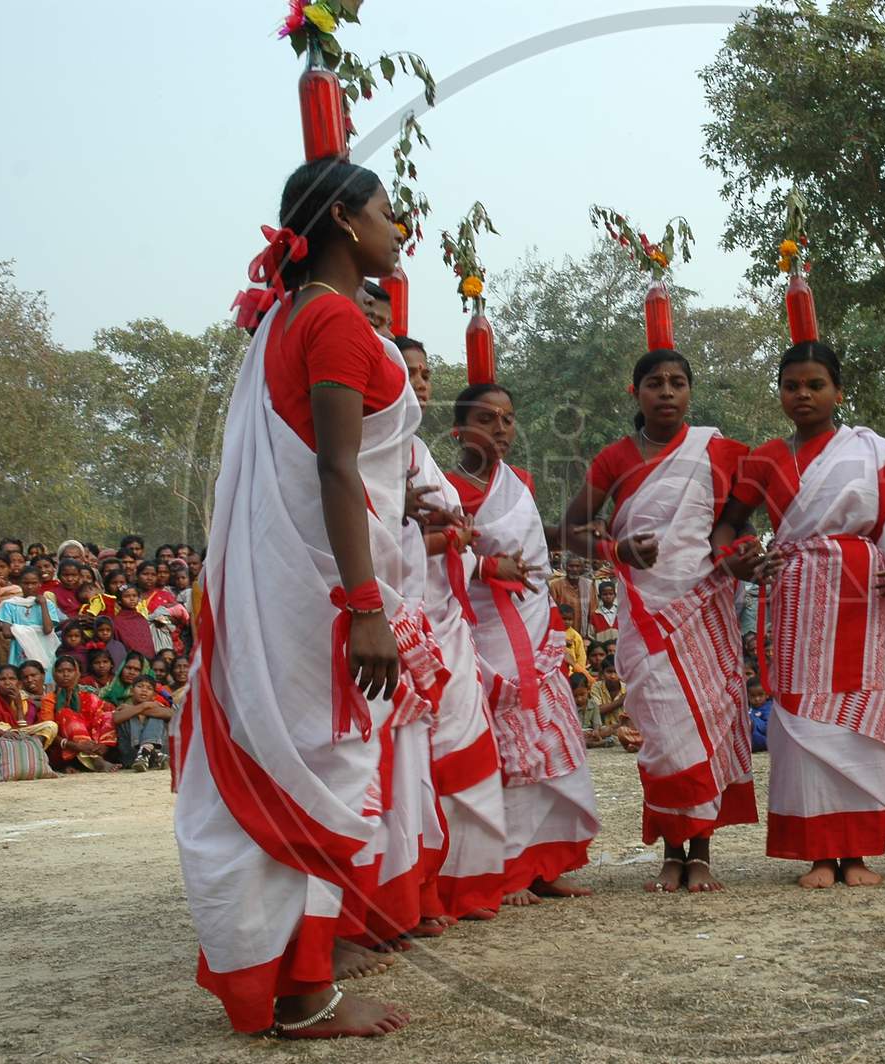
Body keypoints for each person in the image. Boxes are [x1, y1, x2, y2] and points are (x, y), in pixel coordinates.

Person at [174, 158, 438, 1038]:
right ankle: (302, 995)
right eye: (387, 214)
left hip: (297, 580)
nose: (398, 230)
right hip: (320, 588)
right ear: (342, 223)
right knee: (320, 766)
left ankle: (295, 975)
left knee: (306, 765)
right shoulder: (326, 320)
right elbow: (331, 465)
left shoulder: (286, 317)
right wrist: (365, 604)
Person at [713, 341, 885, 889]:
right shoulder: (764, 458)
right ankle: (818, 851)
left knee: (864, 714)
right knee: (802, 718)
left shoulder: (878, 453)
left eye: (815, 385)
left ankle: (857, 851)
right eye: (792, 386)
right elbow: (727, 526)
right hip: (795, 590)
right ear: (780, 392)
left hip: (868, 591)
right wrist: (739, 558)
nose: (803, 395)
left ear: (838, 390)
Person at [561, 349, 756, 895]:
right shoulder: (614, 459)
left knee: (708, 726)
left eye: (677, 383)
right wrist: (617, 547)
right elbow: (571, 528)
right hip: (646, 615)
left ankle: (702, 852)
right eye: (654, 383)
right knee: (666, 731)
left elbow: (735, 529)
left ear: (690, 392)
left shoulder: (718, 453)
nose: (666, 392)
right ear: (636, 392)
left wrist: (740, 556)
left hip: (704, 607)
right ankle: (672, 849)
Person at [444, 382, 600, 907]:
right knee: (506, 751)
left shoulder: (521, 482)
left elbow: (538, 542)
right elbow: (428, 559)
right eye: (487, 420)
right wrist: (488, 566)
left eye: (508, 420)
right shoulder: (446, 490)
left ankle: (545, 864)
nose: (501, 430)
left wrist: (587, 537)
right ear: (458, 430)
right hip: (487, 634)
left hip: (537, 627)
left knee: (551, 743)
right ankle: (506, 869)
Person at [395, 341, 508, 927]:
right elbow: (377, 539)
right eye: (405, 371)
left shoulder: (418, 452)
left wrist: (449, 534)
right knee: (415, 766)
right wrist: (429, 531)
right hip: (402, 624)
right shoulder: (371, 447)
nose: (418, 382)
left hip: (447, 624)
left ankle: (467, 886)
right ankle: (418, 896)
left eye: (424, 373)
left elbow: (448, 532)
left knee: (468, 753)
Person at [43, 656, 118, 772]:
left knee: (107, 714)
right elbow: (47, 731)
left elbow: (104, 715)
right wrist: (77, 746)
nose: (66, 674)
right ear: (54, 674)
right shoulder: (50, 699)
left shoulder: (88, 694)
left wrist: (103, 745)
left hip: (94, 746)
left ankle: (98, 754)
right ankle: (94, 760)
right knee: (67, 714)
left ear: (77, 673)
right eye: (60, 671)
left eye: (70, 671)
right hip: (65, 748)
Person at [0, 567, 64, 667]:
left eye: (34, 583)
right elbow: (6, 633)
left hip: (43, 648)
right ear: (20, 584)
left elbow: (48, 630)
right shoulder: (10, 604)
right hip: (20, 650)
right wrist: (35, 631)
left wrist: (43, 604)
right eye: (26, 583)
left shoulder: (47, 604)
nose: (30, 587)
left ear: (40, 583)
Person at [548, 556, 596, 640]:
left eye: (577, 566)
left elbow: (592, 612)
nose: (574, 569)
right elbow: (553, 611)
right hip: (562, 635)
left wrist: (588, 636)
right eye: (571, 566)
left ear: (582, 568)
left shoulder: (588, 585)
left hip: (584, 636)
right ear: (565, 567)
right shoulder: (555, 585)